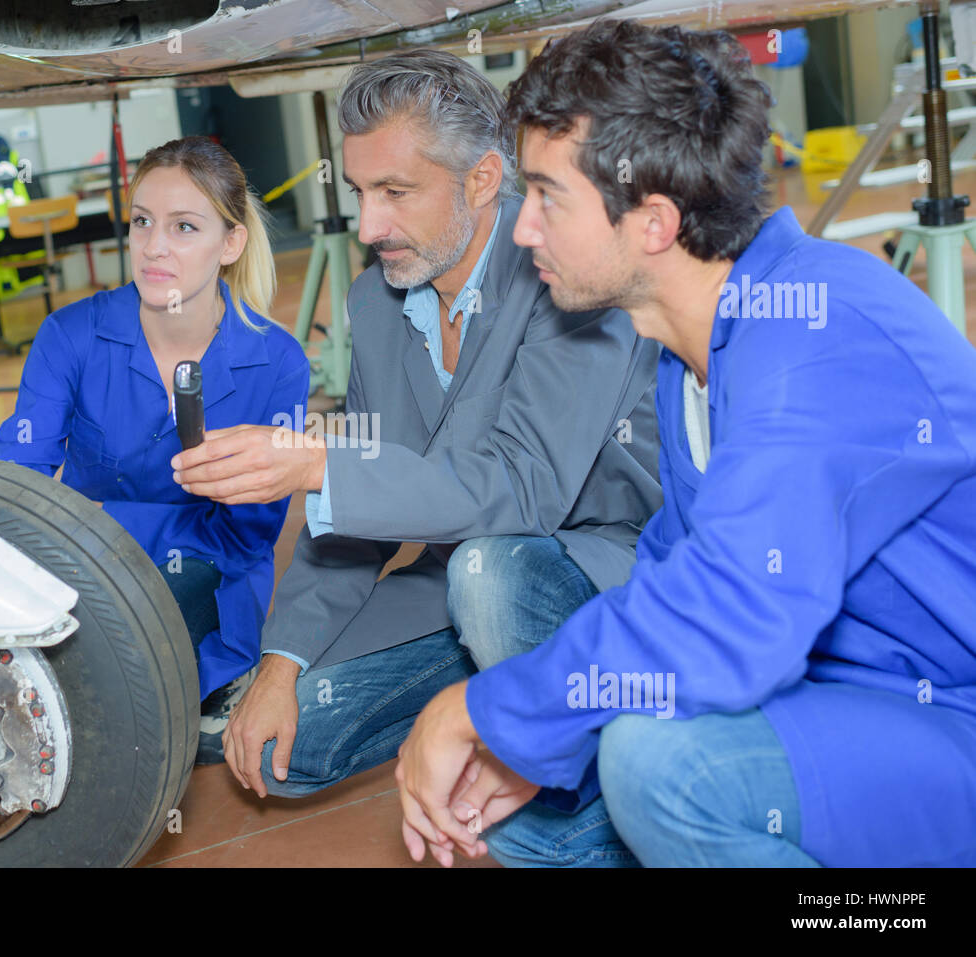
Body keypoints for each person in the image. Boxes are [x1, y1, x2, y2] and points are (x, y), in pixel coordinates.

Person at [396, 18, 976, 868]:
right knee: (516, 806)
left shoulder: (819, 327)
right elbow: (676, 562)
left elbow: (734, 611)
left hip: (947, 712)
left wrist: (485, 708)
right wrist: (545, 739)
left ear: (655, 222)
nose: (523, 230)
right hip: (836, 695)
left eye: (548, 196)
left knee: (661, 768)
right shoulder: (694, 350)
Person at [171, 50, 662, 794]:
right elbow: (357, 519)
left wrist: (317, 465)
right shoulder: (375, 305)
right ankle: (487, 708)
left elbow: (523, 492)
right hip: (455, 583)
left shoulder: (569, 274)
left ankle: (588, 763)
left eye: (396, 192)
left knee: (487, 571)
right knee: (290, 746)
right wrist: (280, 664)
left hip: (600, 571)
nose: (369, 224)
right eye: (362, 190)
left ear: (483, 180)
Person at [0, 136, 310, 762]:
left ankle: (211, 690)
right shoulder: (72, 335)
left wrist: (98, 523)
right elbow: (18, 492)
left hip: (203, 585)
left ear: (231, 243)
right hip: (86, 578)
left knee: (142, 706)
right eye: (142, 222)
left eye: (184, 226)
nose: (153, 245)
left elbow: (245, 535)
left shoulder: (277, 363)